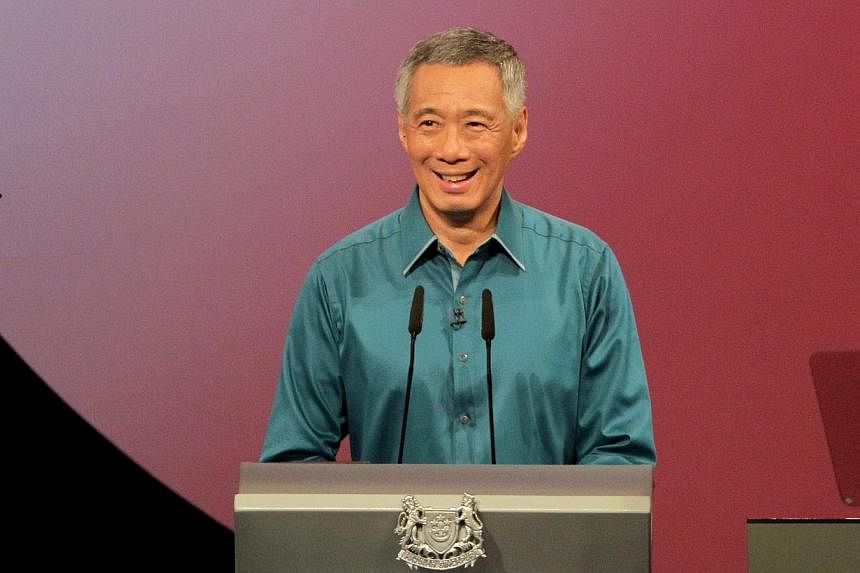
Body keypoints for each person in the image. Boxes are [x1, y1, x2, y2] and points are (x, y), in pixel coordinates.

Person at [260, 26, 656, 465]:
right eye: (429, 123)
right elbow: (294, 465)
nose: (451, 150)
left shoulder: (585, 271)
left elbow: (620, 458)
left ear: (518, 129)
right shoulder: (339, 280)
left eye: (475, 124)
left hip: (544, 538)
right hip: (387, 538)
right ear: (403, 131)